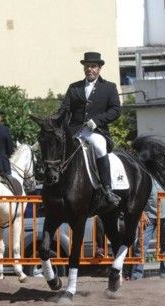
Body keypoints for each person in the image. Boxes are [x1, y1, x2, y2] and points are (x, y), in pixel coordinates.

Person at [59, 51, 121, 206]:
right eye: (87, 66)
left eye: (93, 66)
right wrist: (55, 122)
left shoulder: (109, 87)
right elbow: (65, 109)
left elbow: (116, 110)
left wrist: (98, 121)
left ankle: (107, 189)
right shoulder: (74, 88)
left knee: (99, 146)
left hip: (96, 131)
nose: (89, 69)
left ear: (99, 68)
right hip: (75, 130)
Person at [126, 174, 165, 280]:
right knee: (141, 246)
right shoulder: (144, 173)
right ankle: (137, 275)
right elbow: (136, 195)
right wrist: (141, 213)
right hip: (148, 216)